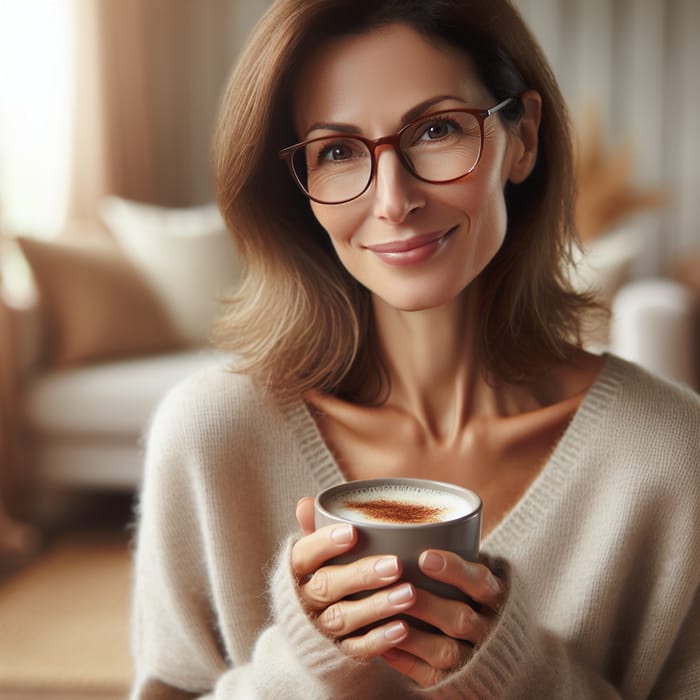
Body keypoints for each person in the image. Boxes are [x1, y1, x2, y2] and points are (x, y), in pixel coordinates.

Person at [130, 0, 700, 697]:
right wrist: (306, 663)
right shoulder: (211, 436)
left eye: (436, 130)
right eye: (336, 151)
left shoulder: (673, 458)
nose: (394, 200)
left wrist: (510, 672)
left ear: (522, 139)